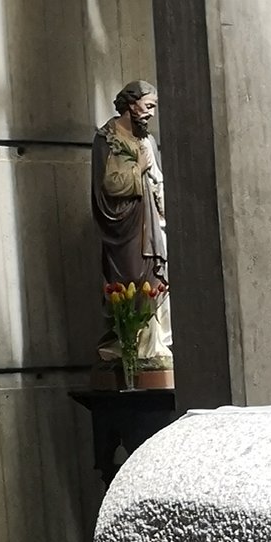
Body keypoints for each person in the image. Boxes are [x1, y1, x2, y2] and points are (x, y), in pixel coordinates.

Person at [91, 79, 168, 362]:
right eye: (148, 106)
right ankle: (128, 344)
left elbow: (157, 177)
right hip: (124, 223)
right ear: (131, 104)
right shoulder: (108, 137)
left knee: (153, 277)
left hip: (150, 220)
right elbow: (109, 184)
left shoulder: (146, 139)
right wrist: (139, 168)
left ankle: (152, 344)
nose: (151, 113)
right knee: (130, 278)